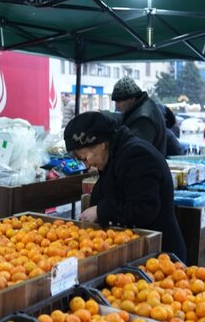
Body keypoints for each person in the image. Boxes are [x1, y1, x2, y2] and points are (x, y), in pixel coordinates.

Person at [65, 111, 187, 262]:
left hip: (160, 256)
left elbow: (143, 208)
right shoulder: (113, 155)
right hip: (137, 248)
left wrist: (100, 210)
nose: (87, 165)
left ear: (101, 144)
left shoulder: (137, 156)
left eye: (84, 158)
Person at [111, 77, 167, 155]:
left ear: (132, 98)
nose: (117, 106)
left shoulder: (143, 118)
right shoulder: (142, 108)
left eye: (119, 101)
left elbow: (136, 151)